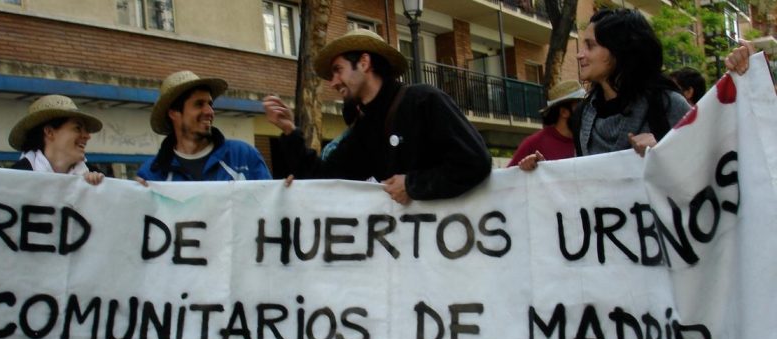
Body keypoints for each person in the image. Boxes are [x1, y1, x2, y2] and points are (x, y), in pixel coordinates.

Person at [263, 29, 492, 205]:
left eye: (338, 69)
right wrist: (289, 131)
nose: (332, 83)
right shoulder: (364, 128)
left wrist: (413, 185)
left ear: (364, 62)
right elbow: (325, 178)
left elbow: (475, 161)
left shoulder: (424, 101)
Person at [573, 8, 691, 158]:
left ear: (618, 50)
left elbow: (702, 161)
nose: (579, 55)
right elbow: (581, 176)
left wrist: (663, 152)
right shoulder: (582, 116)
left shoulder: (666, 105)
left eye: (590, 46)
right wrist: (543, 170)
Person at [137, 70, 271, 182]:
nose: (209, 112)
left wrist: (287, 192)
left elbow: (270, 204)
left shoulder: (243, 155)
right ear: (174, 113)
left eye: (210, 104)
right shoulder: (152, 174)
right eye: (199, 104)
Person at [8, 94, 105, 185]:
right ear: (49, 132)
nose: (87, 136)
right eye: (77, 128)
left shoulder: (96, 178)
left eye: (86, 130)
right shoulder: (13, 181)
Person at [508, 80, 586, 171]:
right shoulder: (533, 143)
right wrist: (526, 167)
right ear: (564, 112)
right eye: (580, 106)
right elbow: (507, 179)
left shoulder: (587, 140)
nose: (586, 111)